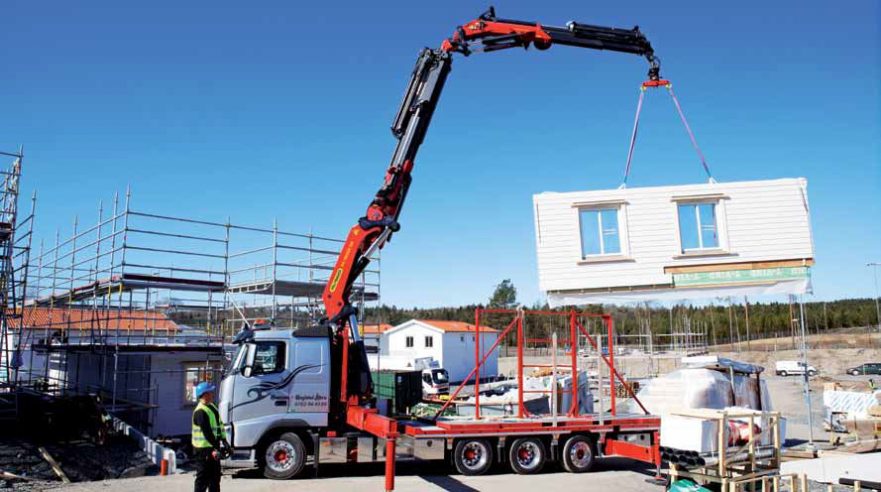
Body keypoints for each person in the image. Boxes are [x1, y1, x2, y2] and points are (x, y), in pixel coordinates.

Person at [192, 382, 230, 492]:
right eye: (210, 392)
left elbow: (219, 426)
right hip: (203, 451)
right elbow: (207, 433)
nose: (212, 394)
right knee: (202, 479)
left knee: (215, 478)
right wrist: (216, 448)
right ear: (203, 394)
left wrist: (224, 441)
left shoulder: (212, 407)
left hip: (212, 447)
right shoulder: (200, 412)